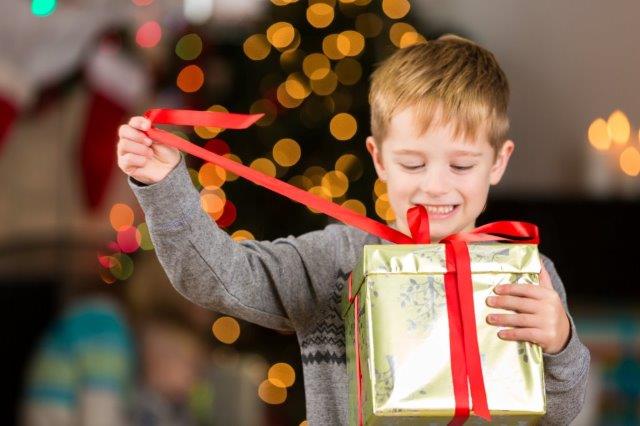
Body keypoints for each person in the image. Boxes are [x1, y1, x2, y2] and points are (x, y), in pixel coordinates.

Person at [116, 35, 590, 425]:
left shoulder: (526, 275)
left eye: (462, 164)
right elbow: (217, 276)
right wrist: (163, 185)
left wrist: (561, 344)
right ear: (379, 159)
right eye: (412, 162)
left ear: (498, 162)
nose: (435, 185)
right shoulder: (337, 259)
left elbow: (560, 413)